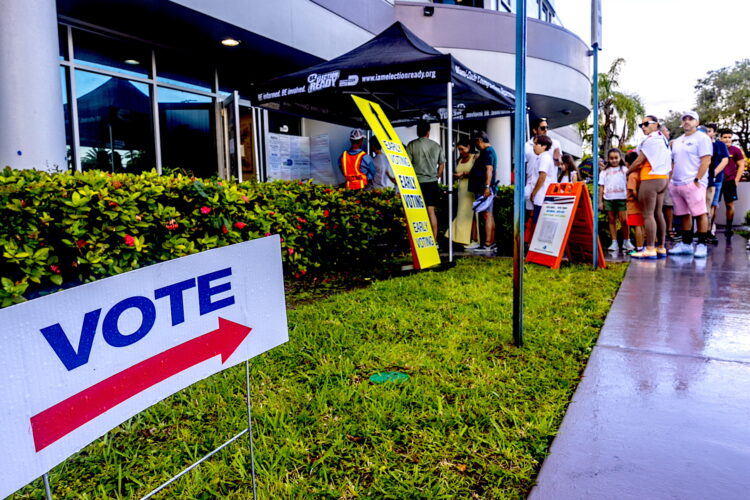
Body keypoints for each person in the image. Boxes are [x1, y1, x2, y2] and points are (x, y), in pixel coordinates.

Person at [667, 111, 712, 258]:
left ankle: (702, 244)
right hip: (677, 183)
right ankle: (686, 244)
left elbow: (706, 160)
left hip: (694, 182)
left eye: (691, 119)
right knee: (683, 214)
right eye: (684, 119)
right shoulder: (678, 141)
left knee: (700, 213)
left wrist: (697, 179)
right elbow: (674, 162)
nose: (687, 121)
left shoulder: (702, 138)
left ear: (697, 123)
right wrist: (670, 181)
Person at [627, 115, 671, 259]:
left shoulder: (651, 140)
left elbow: (639, 161)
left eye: (646, 124)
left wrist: (627, 172)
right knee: (658, 213)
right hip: (663, 178)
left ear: (656, 124)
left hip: (650, 178)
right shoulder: (663, 139)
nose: (643, 127)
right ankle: (661, 247)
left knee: (648, 215)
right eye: (641, 125)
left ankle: (650, 248)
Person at [406, 120, 446, 241]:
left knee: (417, 214)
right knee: (431, 212)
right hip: (431, 183)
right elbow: (442, 165)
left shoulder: (411, 145)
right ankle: (434, 242)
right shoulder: (436, 145)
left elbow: (407, 164)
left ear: (418, 131)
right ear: (428, 132)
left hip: (416, 183)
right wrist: (437, 176)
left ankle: (419, 242)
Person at [468, 131, 498, 253]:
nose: (476, 145)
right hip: (484, 187)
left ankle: (487, 244)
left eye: (476, 142)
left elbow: (489, 170)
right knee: (488, 215)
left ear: (480, 140)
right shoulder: (487, 152)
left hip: (484, 188)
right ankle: (491, 242)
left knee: (487, 215)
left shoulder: (488, 152)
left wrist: (486, 187)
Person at [599, 148, 633, 253]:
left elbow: (629, 183)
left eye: (616, 158)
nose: (614, 160)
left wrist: (629, 196)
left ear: (620, 158)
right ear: (608, 159)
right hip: (609, 198)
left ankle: (626, 241)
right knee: (611, 220)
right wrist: (600, 201)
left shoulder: (625, 169)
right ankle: (614, 242)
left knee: (624, 220)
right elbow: (601, 186)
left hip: (622, 198)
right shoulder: (604, 171)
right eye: (611, 158)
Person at [446, 137, 478, 248]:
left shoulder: (475, 157)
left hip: (471, 189)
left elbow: (478, 173)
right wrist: (456, 177)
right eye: (459, 150)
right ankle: (461, 238)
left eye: (462, 149)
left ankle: (472, 239)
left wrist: (464, 174)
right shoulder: (459, 159)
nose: (460, 152)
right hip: (461, 189)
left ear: (468, 147)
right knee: (461, 213)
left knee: (470, 215)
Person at [703, 123, 729, 244]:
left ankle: (709, 230)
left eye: (709, 131)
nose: (707, 133)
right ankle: (699, 231)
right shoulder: (700, 145)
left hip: (716, 179)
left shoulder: (720, 145)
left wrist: (715, 172)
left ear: (714, 132)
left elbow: (725, 159)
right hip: (701, 180)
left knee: (713, 205)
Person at [718, 128, 746, 238]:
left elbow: (741, 165)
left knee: (730, 204)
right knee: (713, 205)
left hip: (730, 181)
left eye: (729, 137)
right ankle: (709, 229)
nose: (727, 139)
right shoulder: (716, 148)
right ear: (720, 138)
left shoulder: (736, 150)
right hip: (717, 181)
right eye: (725, 137)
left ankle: (728, 227)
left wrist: (736, 180)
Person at [527, 134, 557, 230]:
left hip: (542, 196)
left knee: (538, 224)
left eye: (536, 144)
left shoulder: (545, 158)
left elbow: (542, 177)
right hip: (540, 196)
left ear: (544, 146)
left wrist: (534, 193)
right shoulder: (541, 157)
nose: (534, 146)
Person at [624, 151, 645, 253]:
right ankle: (642, 246)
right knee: (641, 225)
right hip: (642, 204)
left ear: (628, 164)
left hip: (634, 203)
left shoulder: (632, 175)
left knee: (637, 226)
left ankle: (639, 248)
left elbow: (633, 190)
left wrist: (637, 199)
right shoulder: (641, 173)